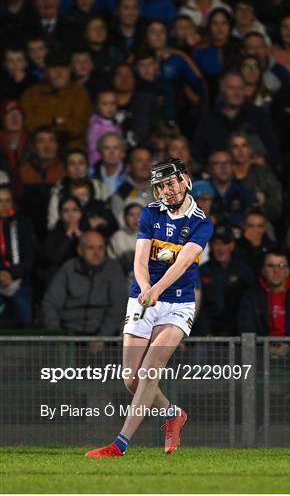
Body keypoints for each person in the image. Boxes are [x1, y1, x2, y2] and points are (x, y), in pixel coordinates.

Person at [85, 157, 213, 457]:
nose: (166, 190)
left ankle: (120, 443)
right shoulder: (150, 214)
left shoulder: (201, 223)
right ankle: (172, 412)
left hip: (178, 302)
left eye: (170, 183)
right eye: (160, 186)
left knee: (149, 370)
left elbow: (182, 264)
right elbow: (140, 261)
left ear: (185, 180)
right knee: (130, 378)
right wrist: (145, 289)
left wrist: (157, 289)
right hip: (143, 297)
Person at [43, 230, 128, 335]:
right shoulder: (68, 269)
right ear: (80, 250)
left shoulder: (113, 269)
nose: (97, 253)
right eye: (91, 248)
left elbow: (119, 305)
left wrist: (102, 336)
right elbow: (50, 303)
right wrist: (57, 335)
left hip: (104, 336)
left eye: (100, 248)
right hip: (69, 334)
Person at [21, 48, 92, 149]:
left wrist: (48, 123)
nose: (59, 73)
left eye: (63, 68)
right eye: (54, 69)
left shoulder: (80, 93)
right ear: (46, 70)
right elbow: (28, 124)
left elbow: (78, 127)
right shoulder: (31, 94)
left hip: (71, 153)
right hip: (39, 150)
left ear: (70, 69)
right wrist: (57, 121)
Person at [238, 248, 290, 336]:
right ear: (263, 271)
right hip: (261, 348)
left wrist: (289, 345)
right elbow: (246, 329)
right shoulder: (251, 296)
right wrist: (265, 346)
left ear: (288, 271)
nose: (276, 270)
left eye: (281, 265)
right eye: (270, 266)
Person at [0, 184, 35, 326]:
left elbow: (29, 258)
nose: (4, 205)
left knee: (24, 316)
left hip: (19, 279)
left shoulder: (23, 223)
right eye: (0, 201)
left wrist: (11, 274)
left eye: (7, 201)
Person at [47, 147, 107, 229]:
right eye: (72, 164)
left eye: (81, 163)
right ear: (66, 169)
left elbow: (108, 219)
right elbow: (52, 224)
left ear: (87, 167)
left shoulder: (99, 187)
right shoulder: (58, 190)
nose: (77, 168)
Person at [86, 88, 122, 166]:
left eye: (113, 104)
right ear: (97, 106)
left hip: (116, 165)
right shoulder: (95, 127)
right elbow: (93, 150)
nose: (110, 107)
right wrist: (98, 167)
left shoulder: (116, 124)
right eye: (105, 104)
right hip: (100, 167)